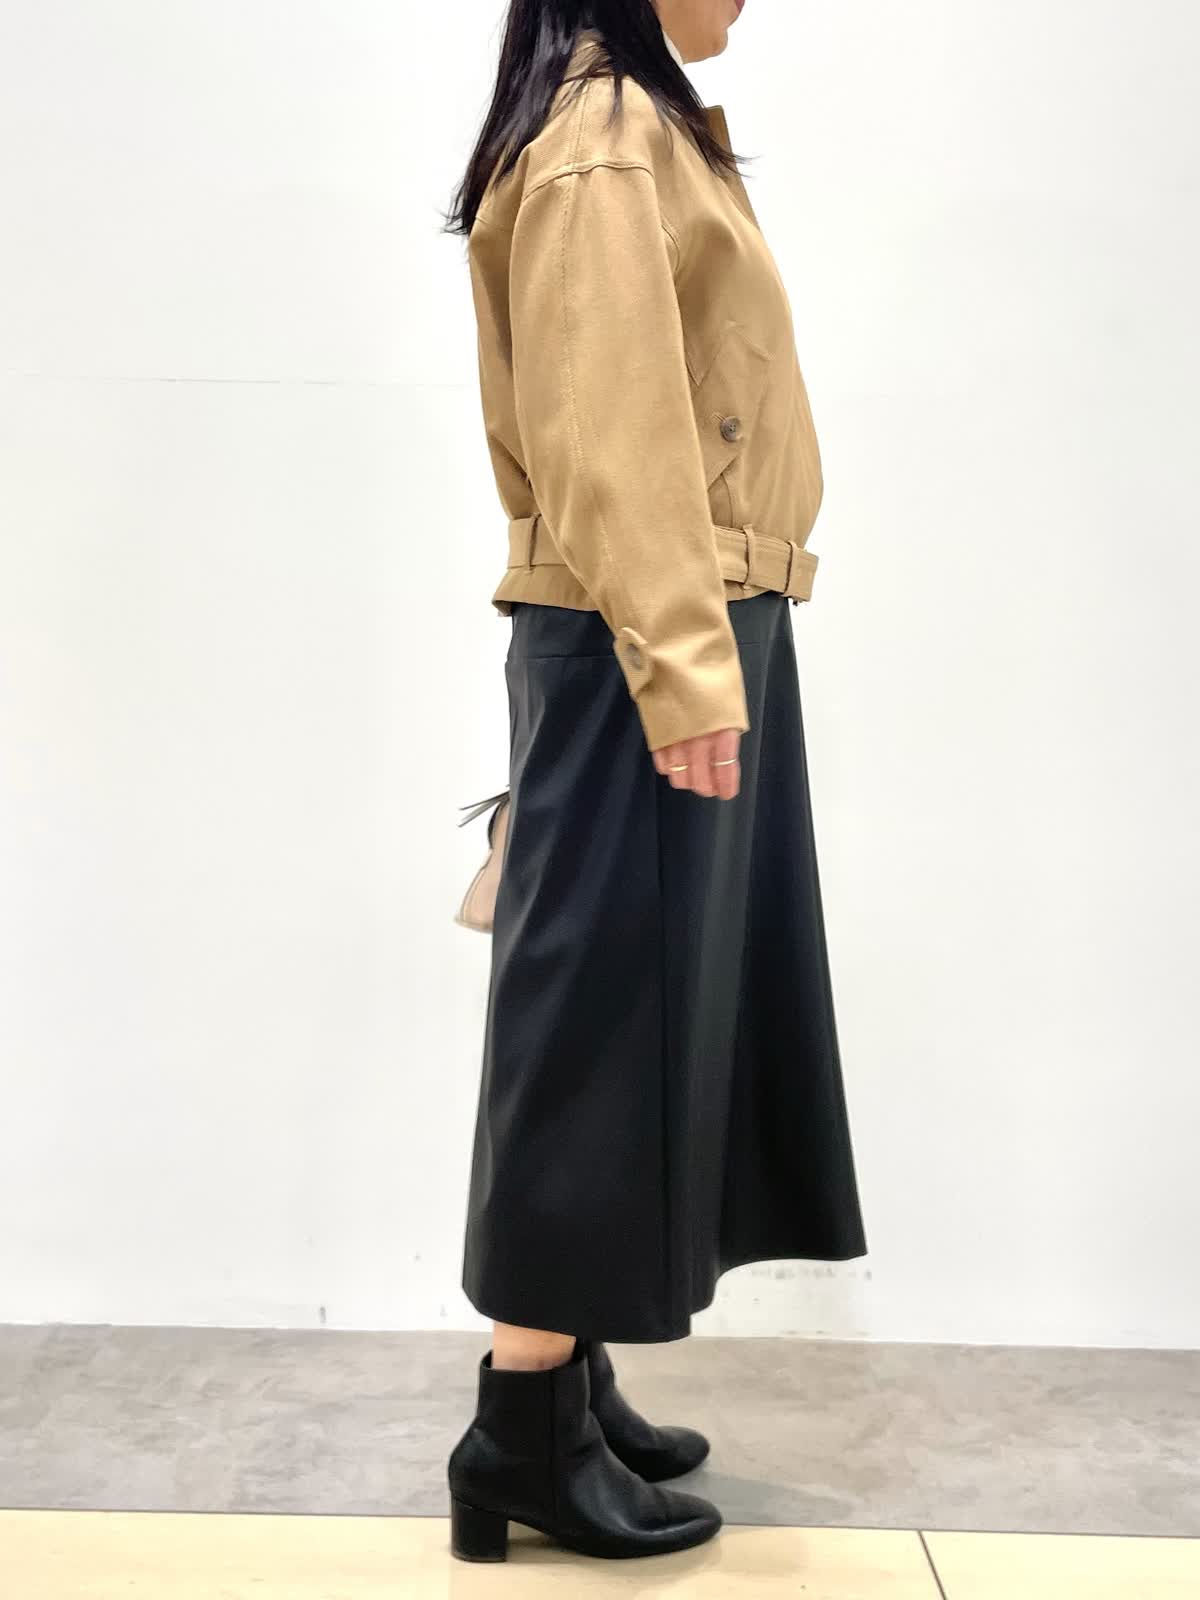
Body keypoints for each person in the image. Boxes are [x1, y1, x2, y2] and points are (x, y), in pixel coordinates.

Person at [440, 0, 868, 1563]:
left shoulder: (636, 122)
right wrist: (686, 665)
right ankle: (519, 1430)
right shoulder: (606, 139)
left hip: (684, 615)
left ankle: (570, 1377)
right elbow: (608, 431)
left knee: (643, 1022)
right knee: (594, 1030)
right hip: (652, 630)